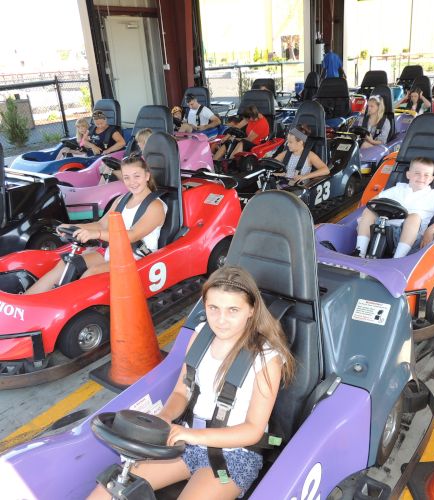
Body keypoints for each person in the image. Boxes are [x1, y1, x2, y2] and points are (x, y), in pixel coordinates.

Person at [87, 265, 295, 500]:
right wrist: (165, 418)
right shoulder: (200, 336)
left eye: (233, 310)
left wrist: (194, 436)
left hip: (234, 455)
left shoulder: (267, 358)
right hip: (185, 442)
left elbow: (253, 431)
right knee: (109, 490)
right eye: (213, 308)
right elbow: (181, 392)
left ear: (251, 310)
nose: (221, 320)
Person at [26, 155, 167, 295]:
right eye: (127, 177)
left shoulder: (155, 206)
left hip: (138, 257)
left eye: (137, 176)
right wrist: (72, 227)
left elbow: (132, 235)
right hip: (113, 252)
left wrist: (97, 234)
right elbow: (101, 224)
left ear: (147, 176)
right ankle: (28, 301)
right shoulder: (122, 200)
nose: (132, 182)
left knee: (92, 274)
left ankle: (59, 312)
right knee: (67, 264)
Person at [354, 157, 434, 258]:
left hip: (411, 238)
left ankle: (398, 258)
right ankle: (360, 252)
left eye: (426, 175)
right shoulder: (398, 189)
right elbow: (373, 202)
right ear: (408, 174)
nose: (421, 178)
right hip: (384, 230)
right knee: (369, 211)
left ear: (431, 179)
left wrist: (430, 230)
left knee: (414, 217)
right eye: (417, 173)